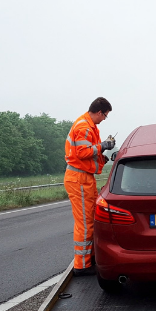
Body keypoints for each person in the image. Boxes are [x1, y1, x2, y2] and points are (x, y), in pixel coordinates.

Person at [64, 97, 115, 276]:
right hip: (79, 178)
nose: (104, 119)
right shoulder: (84, 127)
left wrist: (102, 156)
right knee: (85, 224)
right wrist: (103, 146)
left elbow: (88, 154)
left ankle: (88, 259)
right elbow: (83, 152)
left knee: (90, 220)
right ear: (100, 112)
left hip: (83, 177)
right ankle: (82, 265)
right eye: (105, 116)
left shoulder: (89, 126)